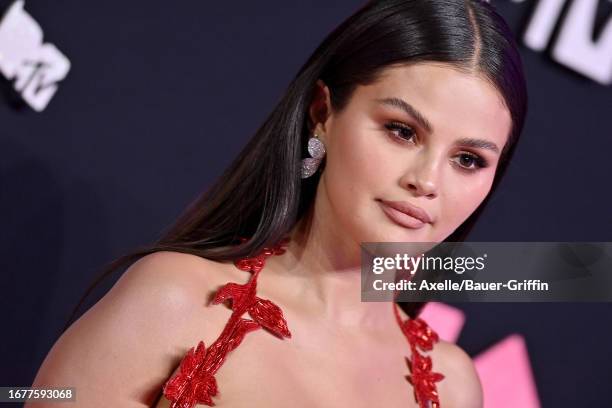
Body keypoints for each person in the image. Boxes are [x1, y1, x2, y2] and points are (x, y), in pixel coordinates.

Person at [28, 0, 527, 407]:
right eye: (402, 131)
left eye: (467, 160)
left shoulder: (452, 387)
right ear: (322, 114)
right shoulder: (175, 300)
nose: (427, 180)